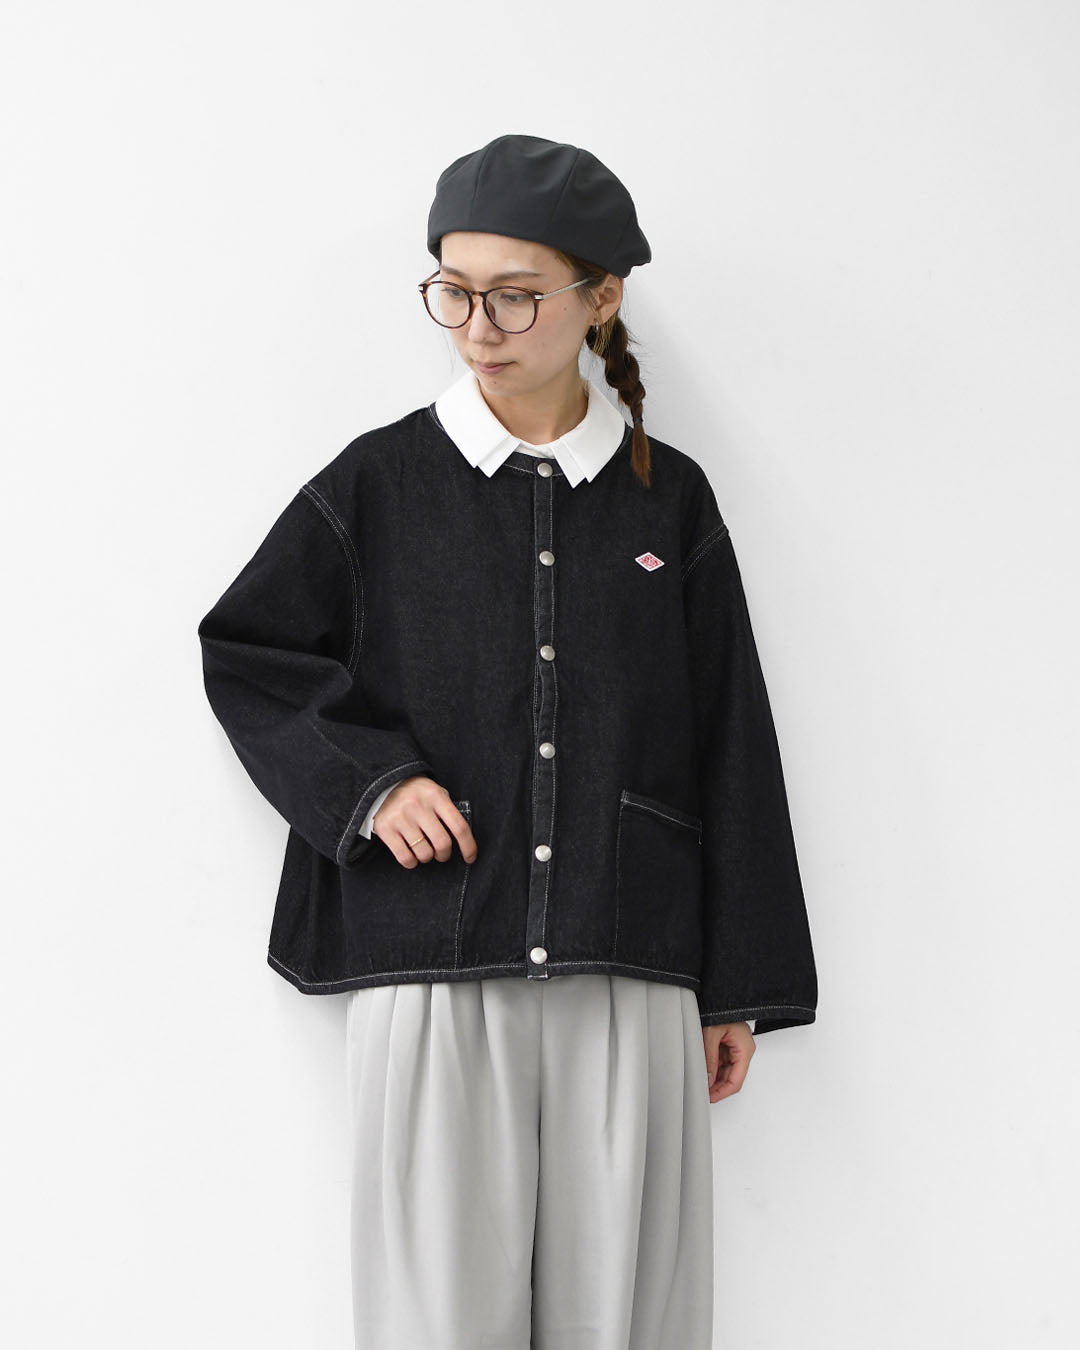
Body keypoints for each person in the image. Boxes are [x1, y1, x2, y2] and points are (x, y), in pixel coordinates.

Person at [198, 132, 818, 1349]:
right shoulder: (377, 484)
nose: (478, 325)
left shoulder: (668, 498)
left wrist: (738, 984)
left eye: (516, 294)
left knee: (625, 1323)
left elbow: (729, 734)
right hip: (431, 964)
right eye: (454, 290)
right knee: (437, 1325)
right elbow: (250, 649)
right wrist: (370, 787)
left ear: (603, 296)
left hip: (628, 962)